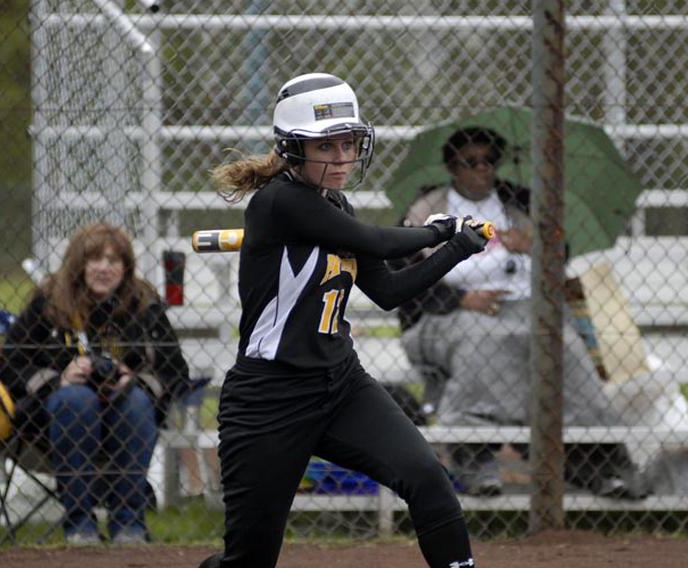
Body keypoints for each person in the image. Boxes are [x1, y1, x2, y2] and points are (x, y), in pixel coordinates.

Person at [197, 73, 489, 568]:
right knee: (248, 562)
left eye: (348, 143)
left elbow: (389, 291)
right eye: (324, 146)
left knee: (426, 478)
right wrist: (439, 229)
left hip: (341, 385)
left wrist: (456, 249)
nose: (340, 158)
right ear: (291, 148)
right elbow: (376, 242)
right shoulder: (278, 202)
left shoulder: (337, 205)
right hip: (269, 398)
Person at [397, 127, 646, 499]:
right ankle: (476, 461)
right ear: (452, 167)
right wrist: (459, 300)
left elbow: (561, 255)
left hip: (521, 309)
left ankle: (598, 463)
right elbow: (403, 279)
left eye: (489, 161)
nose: (482, 169)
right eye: (471, 162)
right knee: (484, 340)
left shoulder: (519, 203)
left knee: (562, 345)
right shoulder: (425, 212)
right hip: (446, 316)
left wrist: (533, 243)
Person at [0, 222, 190, 544]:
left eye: (114, 261)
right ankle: (80, 526)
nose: (104, 268)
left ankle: (129, 524)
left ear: (125, 268)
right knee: (76, 399)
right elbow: (9, 365)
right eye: (95, 259)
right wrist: (60, 379)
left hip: (127, 417)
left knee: (138, 401)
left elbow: (176, 371)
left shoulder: (144, 303)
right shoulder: (49, 300)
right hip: (54, 423)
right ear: (78, 263)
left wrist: (134, 379)